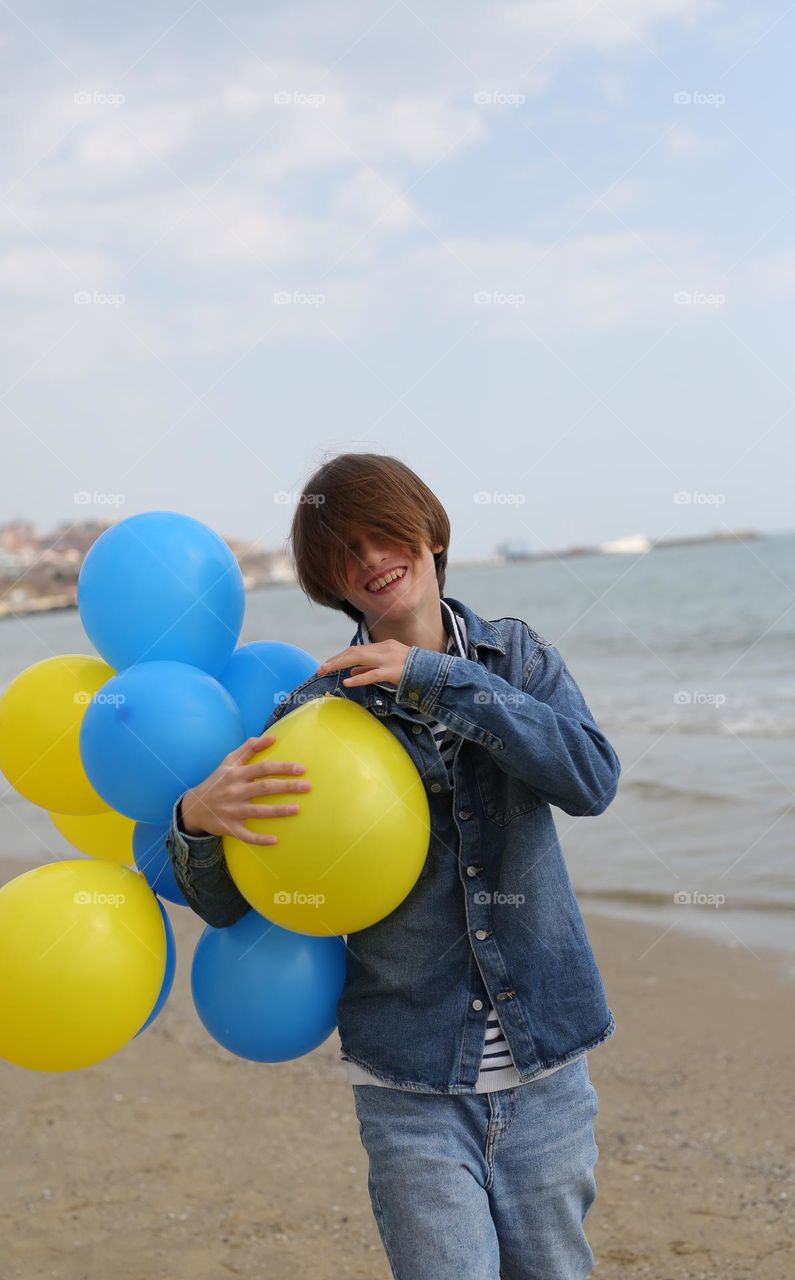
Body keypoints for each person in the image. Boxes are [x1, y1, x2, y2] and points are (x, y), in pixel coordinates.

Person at [165, 452, 621, 1280]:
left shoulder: (514, 659)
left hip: (547, 1059)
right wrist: (195, 821)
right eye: (346, 551)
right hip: (409, 1077)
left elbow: (590, 779)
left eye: (385, 534)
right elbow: (237, 902)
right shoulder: (314, 713)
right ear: (328, 580)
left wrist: (435, 678)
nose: (372, 559)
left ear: (428, 532)